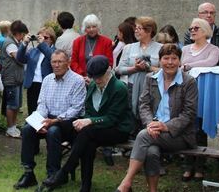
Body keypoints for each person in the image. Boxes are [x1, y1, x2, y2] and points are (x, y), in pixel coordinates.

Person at [116, 44, 198, 192]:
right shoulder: (150, 78)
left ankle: (126, 182)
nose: (170, 62)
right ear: (160, 61)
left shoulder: (189, 82)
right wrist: (150, 124)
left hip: (180, 135)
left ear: (180, 61)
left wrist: (165, 126)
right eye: (166, 58)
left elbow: (189, 113)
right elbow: (144, 104)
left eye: (174, 58)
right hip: (153, 132)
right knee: (151, 151)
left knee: (143, 136)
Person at [42, 56, 131, 192]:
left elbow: (112, 118)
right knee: (85, 140)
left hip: (118, 129)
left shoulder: (119, 88)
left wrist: (89, 121)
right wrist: (86, 121)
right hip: (96, 130)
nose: (97, 80)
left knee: (86, 133)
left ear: (109, 70)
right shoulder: (93, 85)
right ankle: (85, 186)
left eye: (100, 76)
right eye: (94, 77)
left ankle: (64, 172)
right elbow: (88, 110)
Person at [14, 50, 86, 190]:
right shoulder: (47, 79)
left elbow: (76, 109)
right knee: (27, 129)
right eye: (54, 62)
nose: (56, 65)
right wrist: (39, 121)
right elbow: (42, 104)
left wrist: (53, 121)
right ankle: (28, 173)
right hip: (48, 119)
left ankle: (53, 175)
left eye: (60, 61)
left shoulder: (77, 80)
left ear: (68, 62)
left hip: (69, 122)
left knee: (53, 131)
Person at [179, 17, 219, 180]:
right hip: (185, 91)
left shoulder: (213, 49)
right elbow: (180, 66)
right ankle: (188, 165)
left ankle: (200, 166)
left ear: (205, 31)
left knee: (201, 128)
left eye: (196, 28)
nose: (192, 31)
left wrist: (189, 66)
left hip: (204, 91)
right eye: (191, 29)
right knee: (186, 126)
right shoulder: (186, 49)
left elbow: (210, 63)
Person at [117, 17, 163, 133]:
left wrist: (149, 68)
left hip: (153, 88)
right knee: (132, 115)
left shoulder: (161, 48)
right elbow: (118, 69)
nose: (136, 31)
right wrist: (135, 68)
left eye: (139, 28)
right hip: (131, 88)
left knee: (149, 115)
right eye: (135, 28)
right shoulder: (128, 48)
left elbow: (165, 70)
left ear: (149, 31)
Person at [16, 27, 56, 114]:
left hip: (46, 85)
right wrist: (24, 43)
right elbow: (20, 58)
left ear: (52, 39)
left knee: (45, 111)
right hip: (33, 84)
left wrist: (42, 45)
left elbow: (53, 59)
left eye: (45, 38)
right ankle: (32, 127)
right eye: (40, 37)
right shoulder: (34, 51)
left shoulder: (55, 52)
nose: (43, 40)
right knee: (32, 110)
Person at [1, 20, 28, 138]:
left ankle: (13, 126)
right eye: (23, 34)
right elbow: (20, 58)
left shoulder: (16, 43)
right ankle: (10, 128)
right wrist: (25, 45)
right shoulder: (10, 43)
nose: (24, 37)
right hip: (11, 78)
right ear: (19, 33)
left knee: (16, 105)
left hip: (17, 78)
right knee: (12, 104)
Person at [70, 14, 113, 78]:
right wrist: (82, 75)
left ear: (98, 27)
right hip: (81, 78)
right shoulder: (77, 42)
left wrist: (96, 77)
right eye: (88, 27)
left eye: (94, 26)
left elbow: (109, 63)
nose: (91, 29)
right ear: (85, 28)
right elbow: (73, 62)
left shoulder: (107, 42)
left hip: (100, 78)